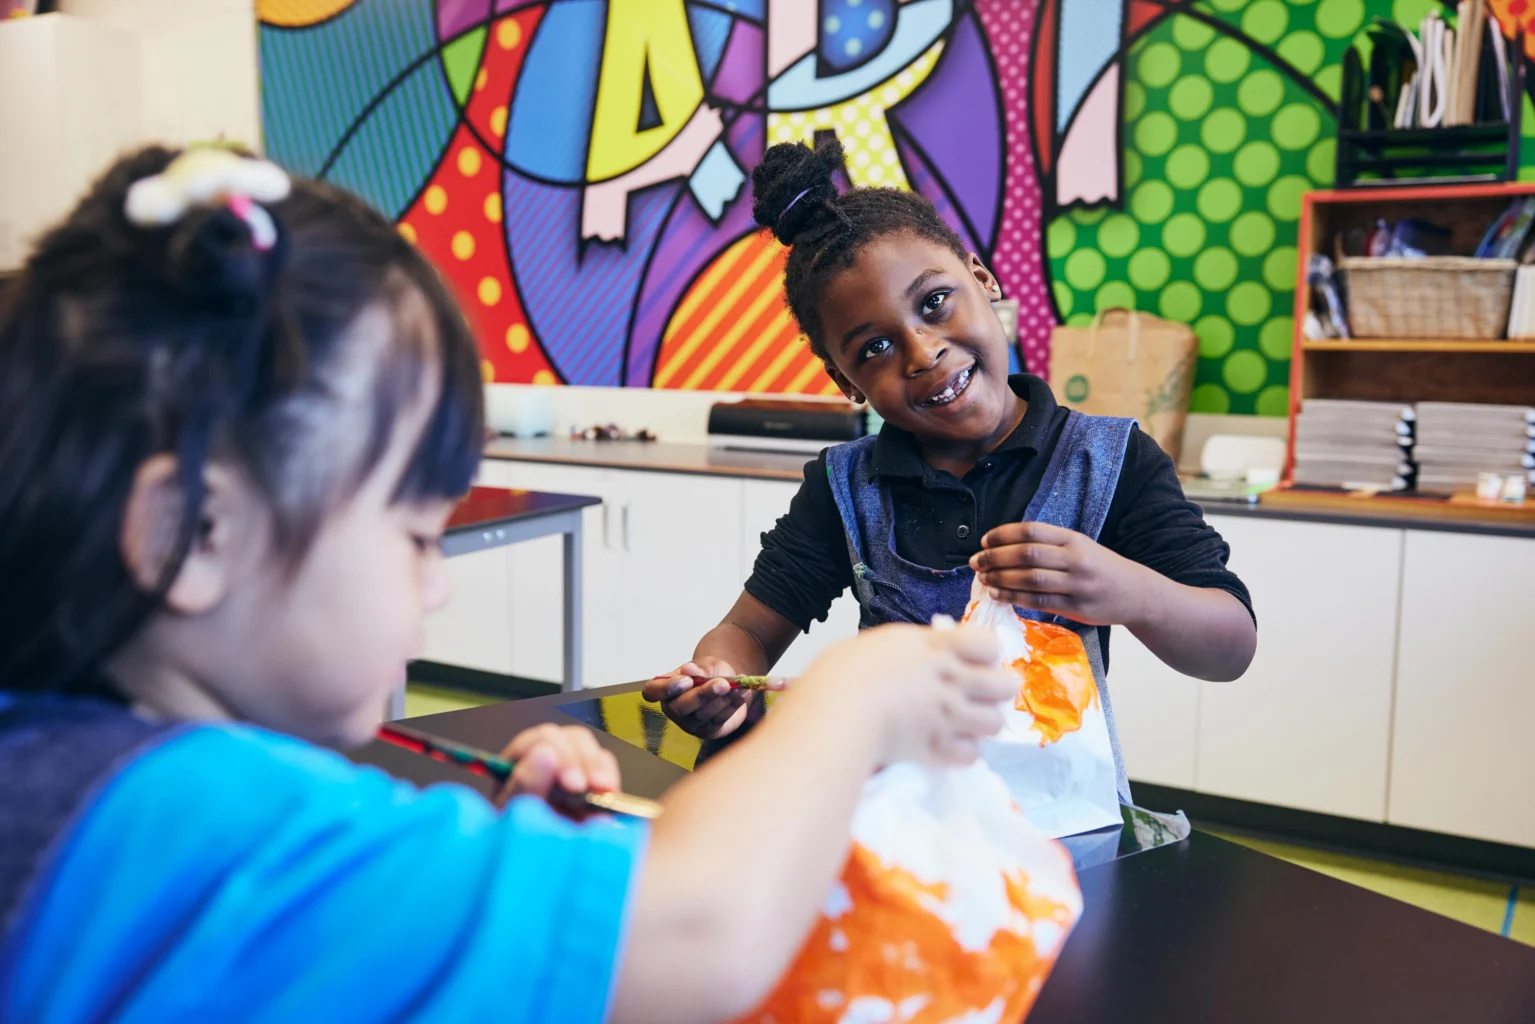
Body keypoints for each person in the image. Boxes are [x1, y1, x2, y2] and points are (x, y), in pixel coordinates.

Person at [0, 145, 1018, 1023]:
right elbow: (704, 927)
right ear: (192, 531)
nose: (434, 586)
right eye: (410, 530)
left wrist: (513, 873)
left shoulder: (57, 764)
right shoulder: (195, 825)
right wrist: (855, 695)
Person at [645, 138, 1258, 806]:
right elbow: (749, 632)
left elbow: (1229, 646)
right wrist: (721, 679)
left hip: (1057, 826)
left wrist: (1129, 591)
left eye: (934, 302)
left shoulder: (1109, 462)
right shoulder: (845, 487)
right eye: (873, 348)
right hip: (893, 824)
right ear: (843, 381)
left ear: (982, 278)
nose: (922, 351)